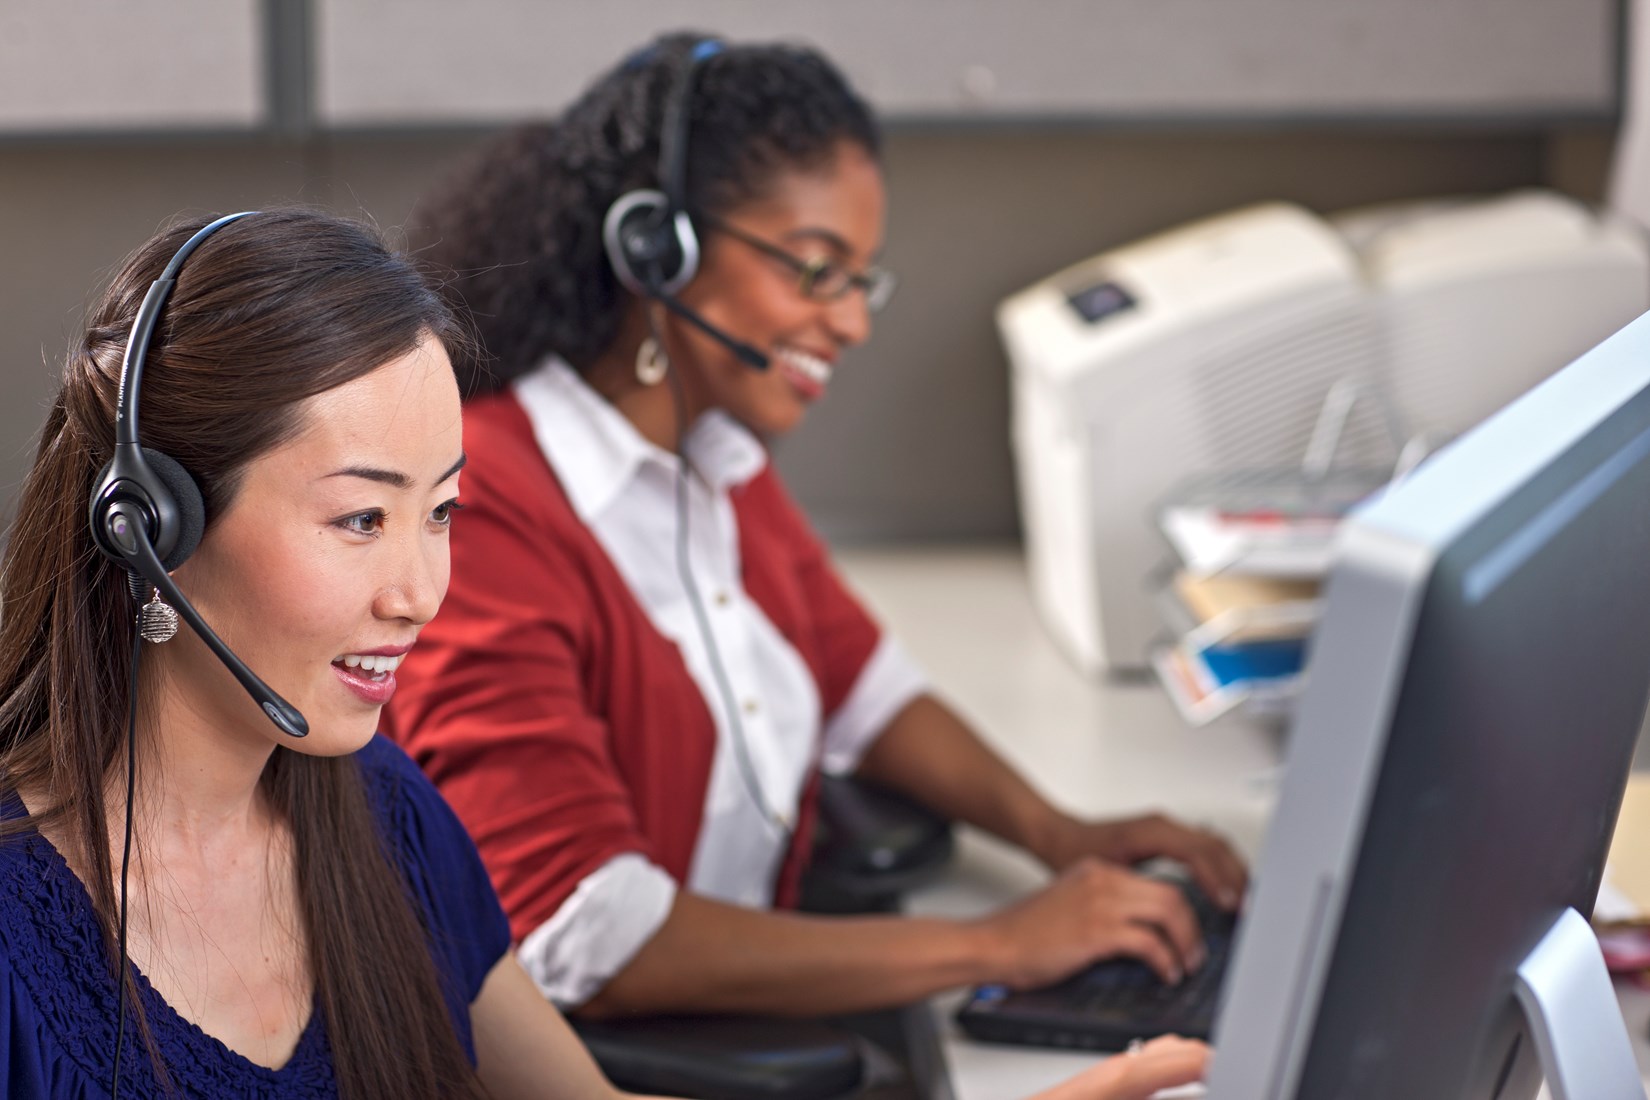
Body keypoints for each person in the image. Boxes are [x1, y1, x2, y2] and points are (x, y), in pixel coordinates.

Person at [0, 207, 1206, 1100]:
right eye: (361, 518)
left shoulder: (377, 812)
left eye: (442, 513)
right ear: (151, 524)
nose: (423, 592)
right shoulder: (19, 928)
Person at [387, 32, 1247, 1028]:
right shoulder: (486, 503)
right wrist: (999, 941)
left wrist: (1059, 830)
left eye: (859, 280)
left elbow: (862, 686)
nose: (849, 323)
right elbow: (587, 929)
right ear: (656, 251)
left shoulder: (714, 453)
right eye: (814, 270)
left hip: (734, 1010)